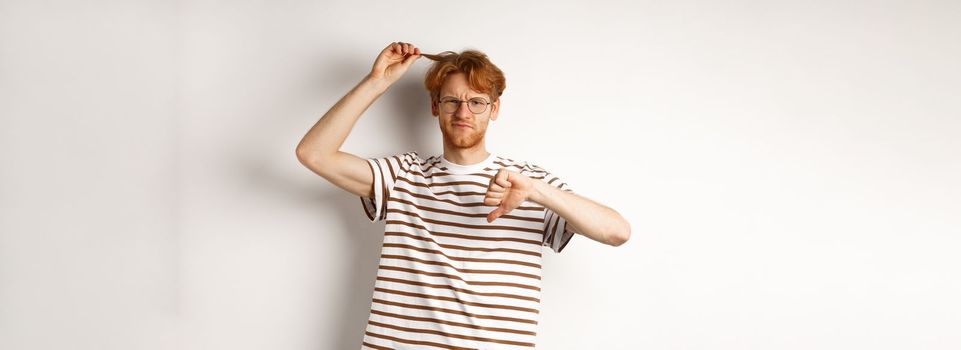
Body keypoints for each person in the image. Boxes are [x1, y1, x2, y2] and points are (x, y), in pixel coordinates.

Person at [296, 41, 631, 349]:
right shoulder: (403, 176)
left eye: (476, 102)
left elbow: (617, 231)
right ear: (435, 107)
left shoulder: (527, 183)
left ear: (494, 108)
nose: (463, 113)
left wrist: (537, 191)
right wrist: (377, 82)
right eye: (452, 101)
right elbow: (314, 154)